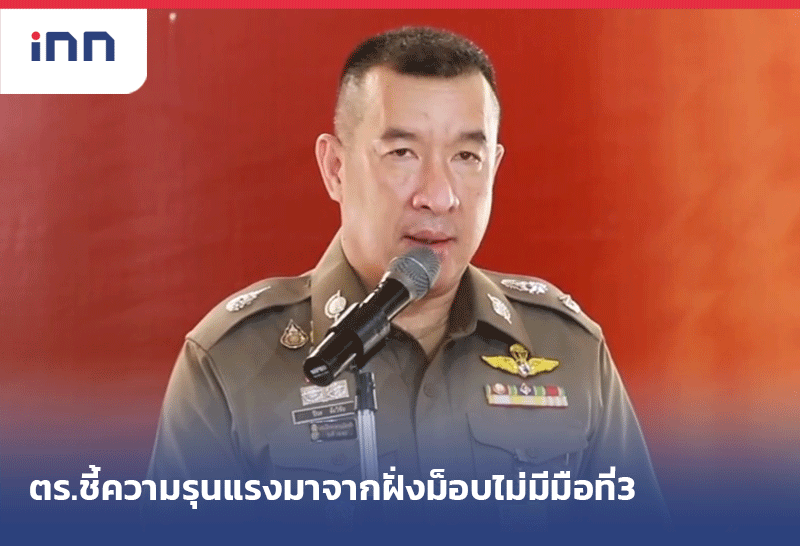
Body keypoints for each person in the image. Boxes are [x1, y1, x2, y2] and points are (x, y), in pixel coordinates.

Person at [147, 27, 669, 526]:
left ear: (493, 169)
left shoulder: (568, 349)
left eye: (466, 156)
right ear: (335, 168)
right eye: (402, 153)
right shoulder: (233, 362)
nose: (438, 196)